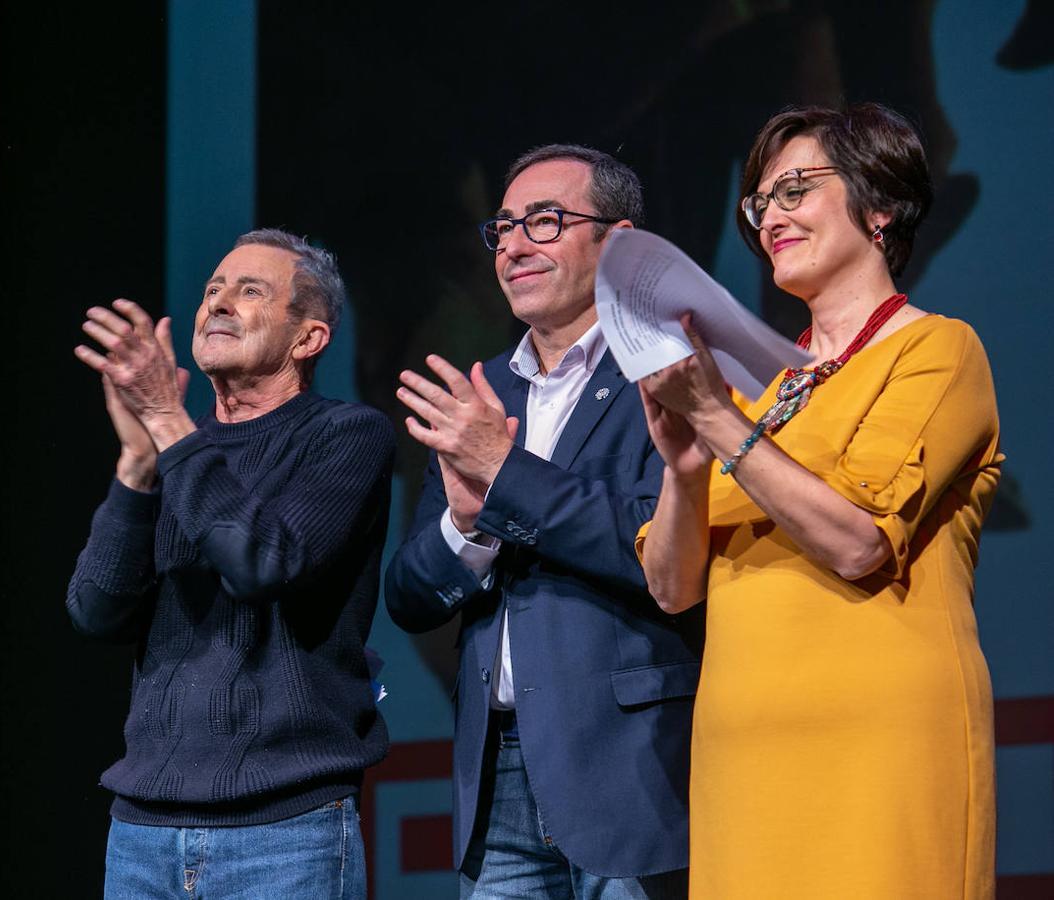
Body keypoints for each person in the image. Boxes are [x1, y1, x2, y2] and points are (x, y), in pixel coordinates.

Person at [638, 103, 1000, 899]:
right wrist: (685, 467)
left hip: (880, 741)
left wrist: (717, 420)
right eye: (759, 203)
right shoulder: (762, 396)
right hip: (744, 751)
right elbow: (671, 587)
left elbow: (858, 544)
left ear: (879, 208)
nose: (771, 217)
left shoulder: (936, 349)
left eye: (796, 190)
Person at [386, 145, 700, 899]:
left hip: (629, 770)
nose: (515, 246)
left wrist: (505, 475)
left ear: (617, 242)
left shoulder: (672, 371)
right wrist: (467, 526)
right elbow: (409, 597)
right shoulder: (484, 392)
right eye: (503, 229)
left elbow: (657, 550)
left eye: (546, 222)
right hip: (495, 779)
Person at [67, 228, 393, 900]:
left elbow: (262, 562)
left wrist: (165, 421)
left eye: (250, 292)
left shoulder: (346, 435)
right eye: (212, 290)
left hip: (284, 831)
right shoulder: (175, 451)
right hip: (141, 832)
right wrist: (136, 466)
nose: (217, 304)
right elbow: (95, 610)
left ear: (309, 338)